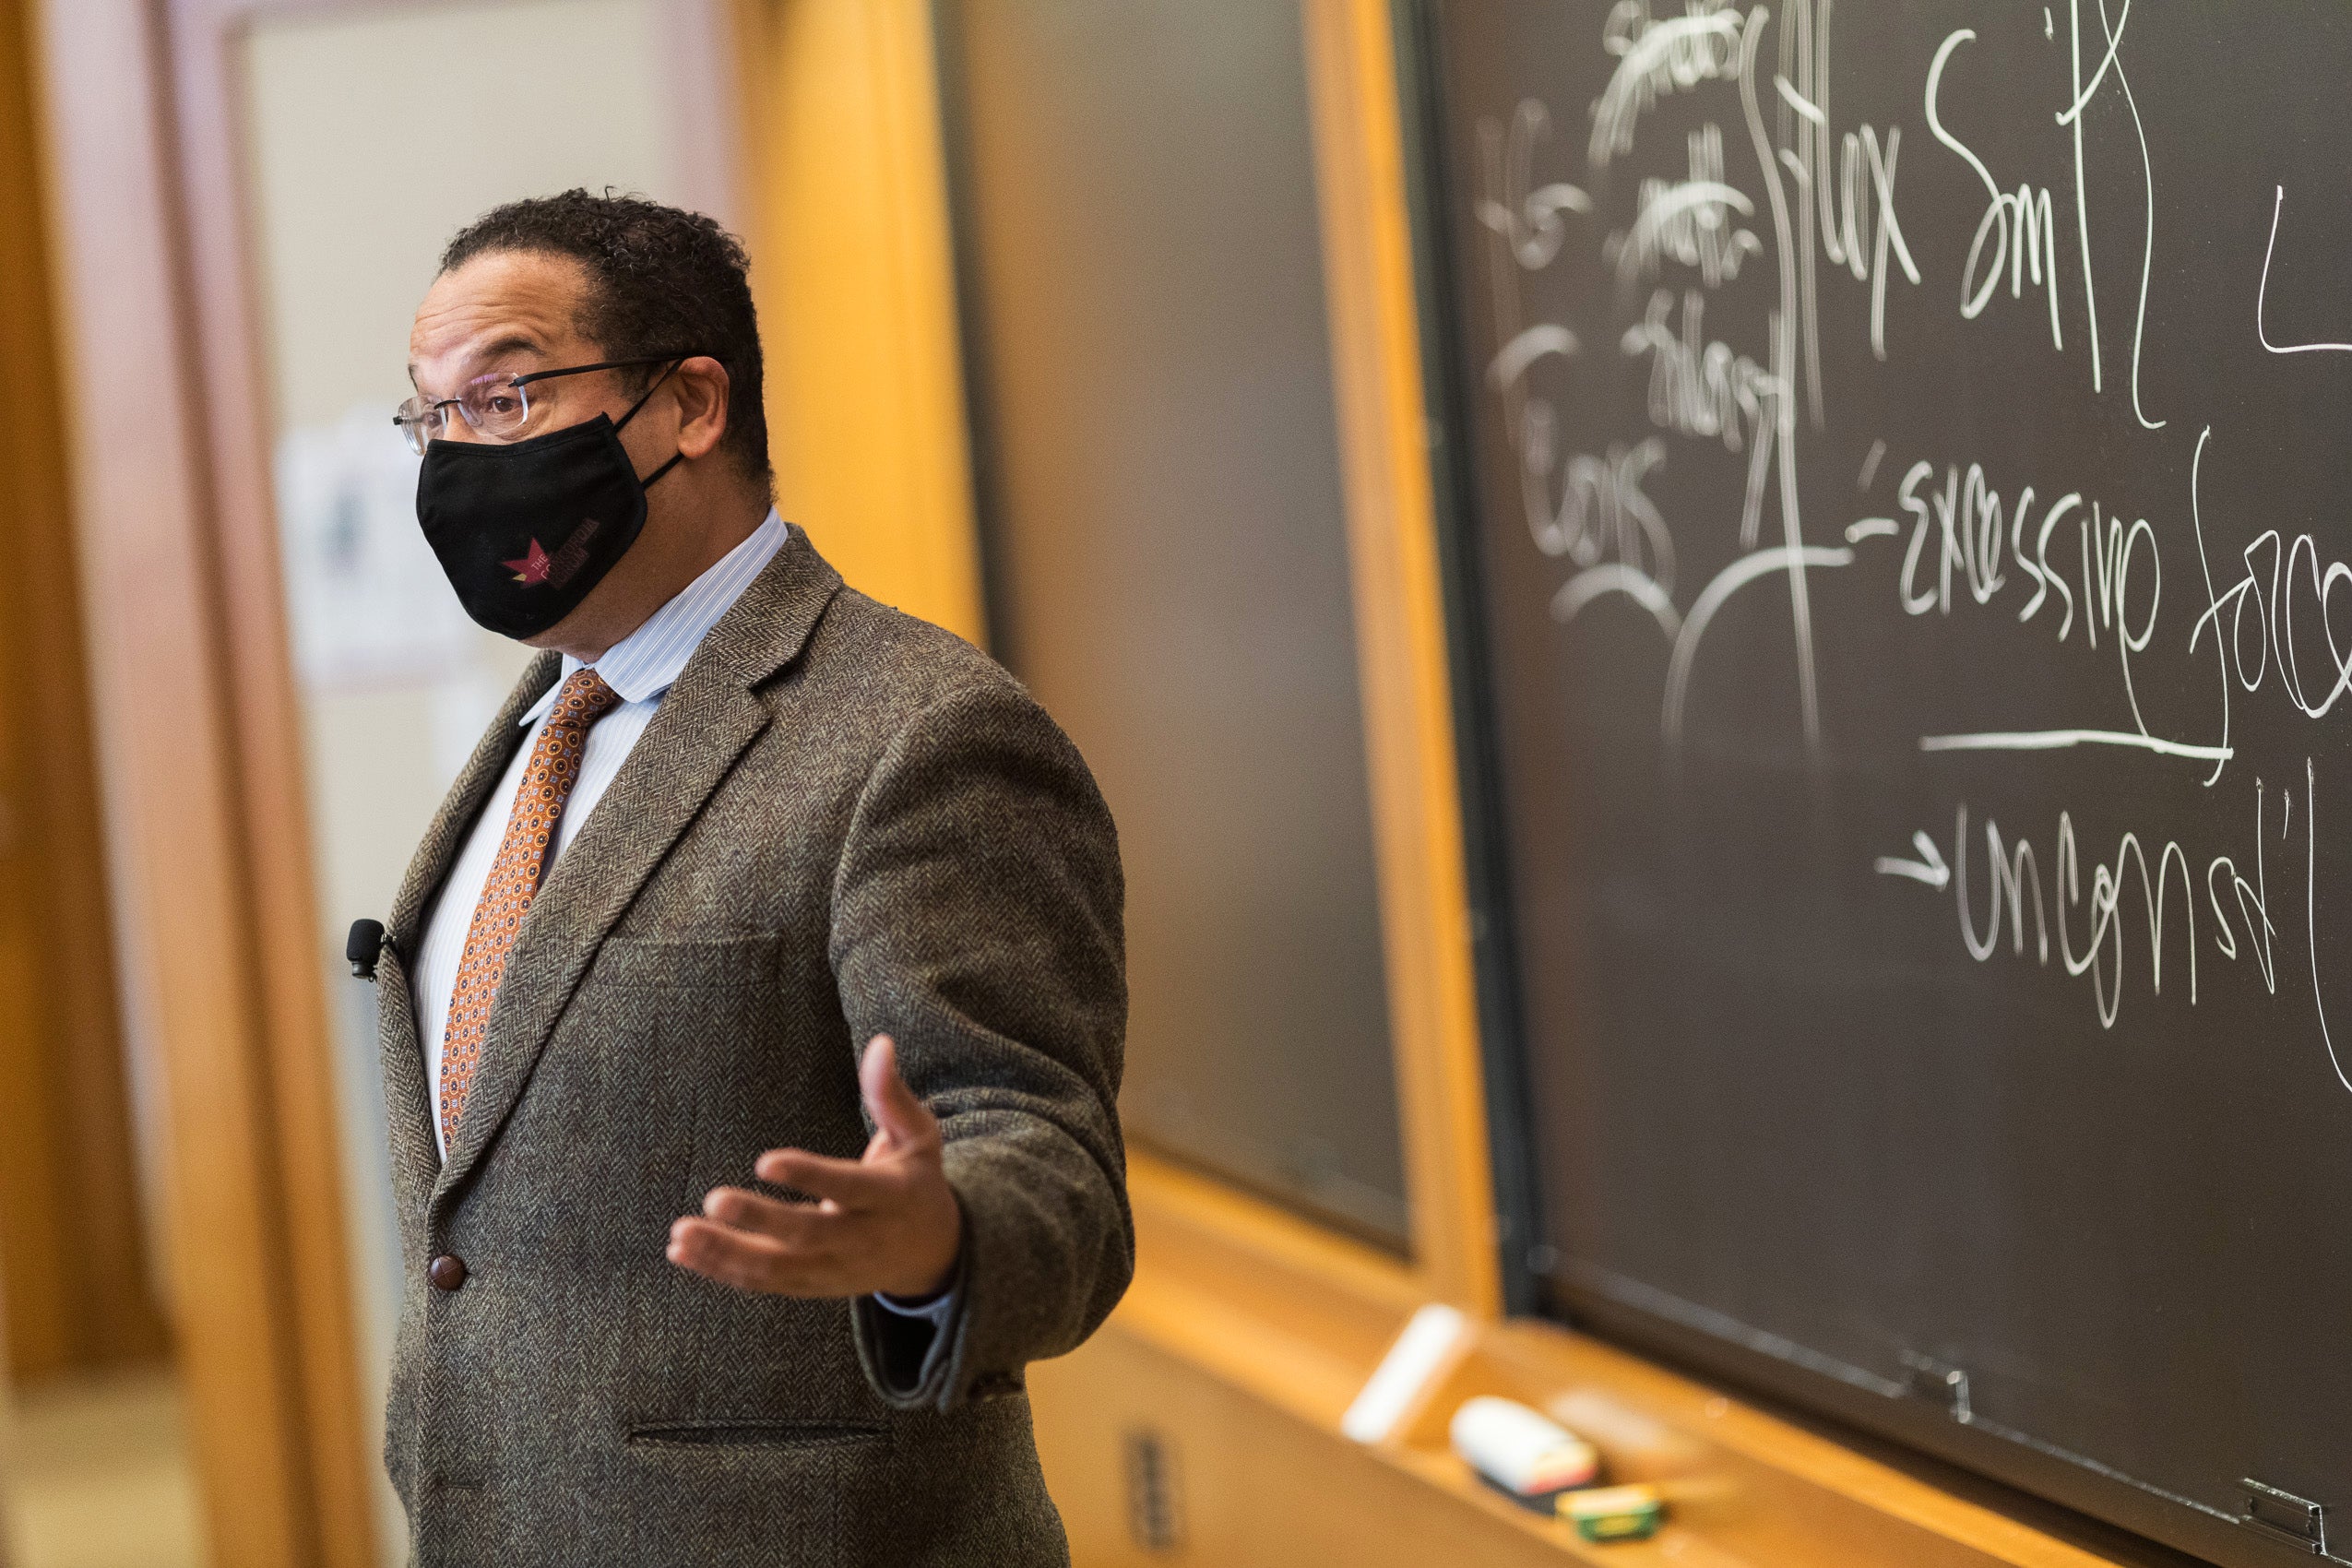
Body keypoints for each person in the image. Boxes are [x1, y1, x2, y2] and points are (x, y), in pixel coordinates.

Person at [373, 189, 1129, 1566]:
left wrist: (941, 1233)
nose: (454, 458)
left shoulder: (925, 734)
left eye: (506, 396)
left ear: (690, 405)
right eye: (432, 416)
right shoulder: (542, 728)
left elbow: (1053, 1166)